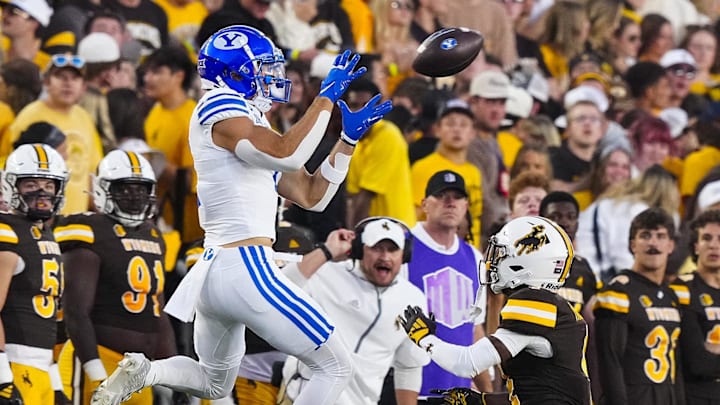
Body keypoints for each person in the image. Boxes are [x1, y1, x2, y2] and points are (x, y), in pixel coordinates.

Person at [91, 25, 392, 405]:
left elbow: (311, 195)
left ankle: (147, 371)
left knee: (214, 383)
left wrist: (345, 143)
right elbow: (287, 153)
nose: (274, 77)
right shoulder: (219, 104)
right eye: (264, 68)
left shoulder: (251, 121)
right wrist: (325, 98)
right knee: (335, 366)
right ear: (235, 72)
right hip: (245, 265)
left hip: (217, 272)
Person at [398, 215, 591, 405]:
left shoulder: (535, 304)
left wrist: (424, 338)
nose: (492, 261)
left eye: (502, 254)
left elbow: (466, 363)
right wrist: (484, 400)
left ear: (527, 262)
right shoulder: (555, 309)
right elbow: (541, 392)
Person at [54, 150, 176, 405]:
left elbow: (158, 310)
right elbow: (75, 311)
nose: (134, 196)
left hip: (139, 369)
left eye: (141, 189)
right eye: (125, 189)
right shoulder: (89, 229)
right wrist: (96, 372)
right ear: (102, 189)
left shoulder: (152, 235)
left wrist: (171, 373)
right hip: (97, 358)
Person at [280, 217, 428, 404]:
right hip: (304, 396)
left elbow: (409, 366)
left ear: (404, 254)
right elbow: (279, 288)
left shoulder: (413, 299)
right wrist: (327, 251)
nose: (385, 257)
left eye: (392, 249)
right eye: (376, 248)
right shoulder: (327, 273)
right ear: (359, 249)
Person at [405, 170, 491, 397]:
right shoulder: (400, 247)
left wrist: (487, 391)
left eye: (457, 197)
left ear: (466, 206)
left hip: (458, 392)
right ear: (424, 204)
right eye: (442, 195)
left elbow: (475, 330)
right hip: (408, 388)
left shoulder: (475, 258)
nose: (450, 203)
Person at [594, 207, 685, 405]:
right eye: (645, 235)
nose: (653, 243)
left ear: (671, 245)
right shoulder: (618, 292)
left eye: (660, 236)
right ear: (632, 245)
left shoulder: (671, 296)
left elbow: (675, 366)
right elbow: (611, 363)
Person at [0, 144, 69, 404]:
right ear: (12, 186)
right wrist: (3, 378)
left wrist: (55, 381)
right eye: (31, 184)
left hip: (41, 368)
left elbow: (47, 316)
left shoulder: (45, 233)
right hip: (15, 363)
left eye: (49, 185)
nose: (41, 193)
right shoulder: (7, 231)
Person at [670, 209, 720, 404]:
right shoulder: (681, 289)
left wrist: (713, 348)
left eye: (719, 238)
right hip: (696, 396)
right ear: (696, 246)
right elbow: (697, 362)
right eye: (707, 238)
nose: (714, 245)